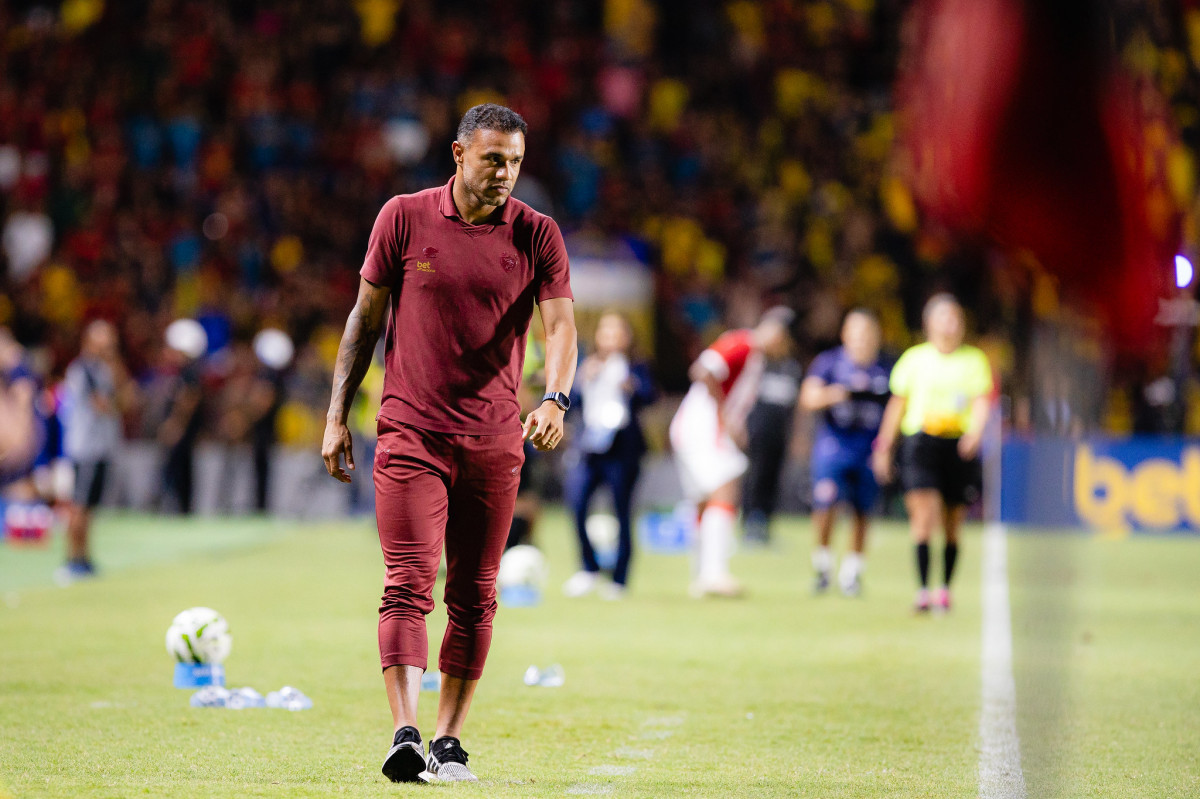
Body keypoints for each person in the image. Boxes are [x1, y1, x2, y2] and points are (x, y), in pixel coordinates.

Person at [320, 104, 576, 784]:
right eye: (493, 159)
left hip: (494, 439)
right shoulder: (402, 216)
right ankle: (404, 731)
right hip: (410, 432)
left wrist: (555, 396)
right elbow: (364, 318)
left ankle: (448, 740)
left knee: (476, 594)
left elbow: (562, 327)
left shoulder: (537, 234)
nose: (505, 173)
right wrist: (336, 413)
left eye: (516, 162)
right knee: (407, 581)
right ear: (458, 154)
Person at [872, 294, 993, 613]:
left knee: (953, 522)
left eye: (956, 319)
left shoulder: (974, 361)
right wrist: (884, 446)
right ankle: (923, 589)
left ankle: (945, 589)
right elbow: (897, 405)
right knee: (923, 516)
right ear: (929, 324)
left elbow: (981, 402)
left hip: (957, 445)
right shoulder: (914, 359)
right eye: (944, 318)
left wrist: (975, 433)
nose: (951, 325)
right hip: (921, 443)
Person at [669, 307, 794, 598]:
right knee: (725, 488)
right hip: (703, 426)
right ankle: (714, 573)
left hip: (696, 427)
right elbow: (703, 370)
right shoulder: (743, 343)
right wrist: (724, 416)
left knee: (702, 501)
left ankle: (701, 575)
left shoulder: (757, 357)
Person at [562, 311, 656, 599]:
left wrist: (633, 387)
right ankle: (588, 567)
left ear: (627, 337)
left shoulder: (636, 367)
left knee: (623, 512)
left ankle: (619, 578)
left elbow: (650, 397)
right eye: (606, 331)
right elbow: (572, 403)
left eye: (617, 332)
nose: (611, 338)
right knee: (576, 503)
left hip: (622, 450)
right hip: (589, 447)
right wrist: (580, 381)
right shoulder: (586, 364)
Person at [799, 309, 892, 596]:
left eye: (867, 334)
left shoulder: (885, 370)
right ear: (845, 335)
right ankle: (822, 565)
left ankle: (852, 572)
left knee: (863, 512)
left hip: (868, 450)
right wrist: (836, 394)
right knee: (825, 505)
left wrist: (885, 449)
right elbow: (808, 398)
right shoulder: (829, 363)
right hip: (834, 447)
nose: (862, 340)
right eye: (856, 333)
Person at [61, 320, 132, 577]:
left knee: (89, 507)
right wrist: (119, 404)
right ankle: (71, 560)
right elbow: (106, 404)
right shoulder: (84, 369)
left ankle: (84, 558)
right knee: (79, 505)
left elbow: (128, 396)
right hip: (85, 448)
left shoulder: (104, 369)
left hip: (101, 448)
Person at [740, 339, 802, 546]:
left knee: (773, 479)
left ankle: (765, 524)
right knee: (754, 477)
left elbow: (795, 407)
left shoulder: (792, 368)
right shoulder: (758, 365)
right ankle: (749, 524)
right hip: (757, 434)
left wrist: (797, 435)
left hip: (779, 435)